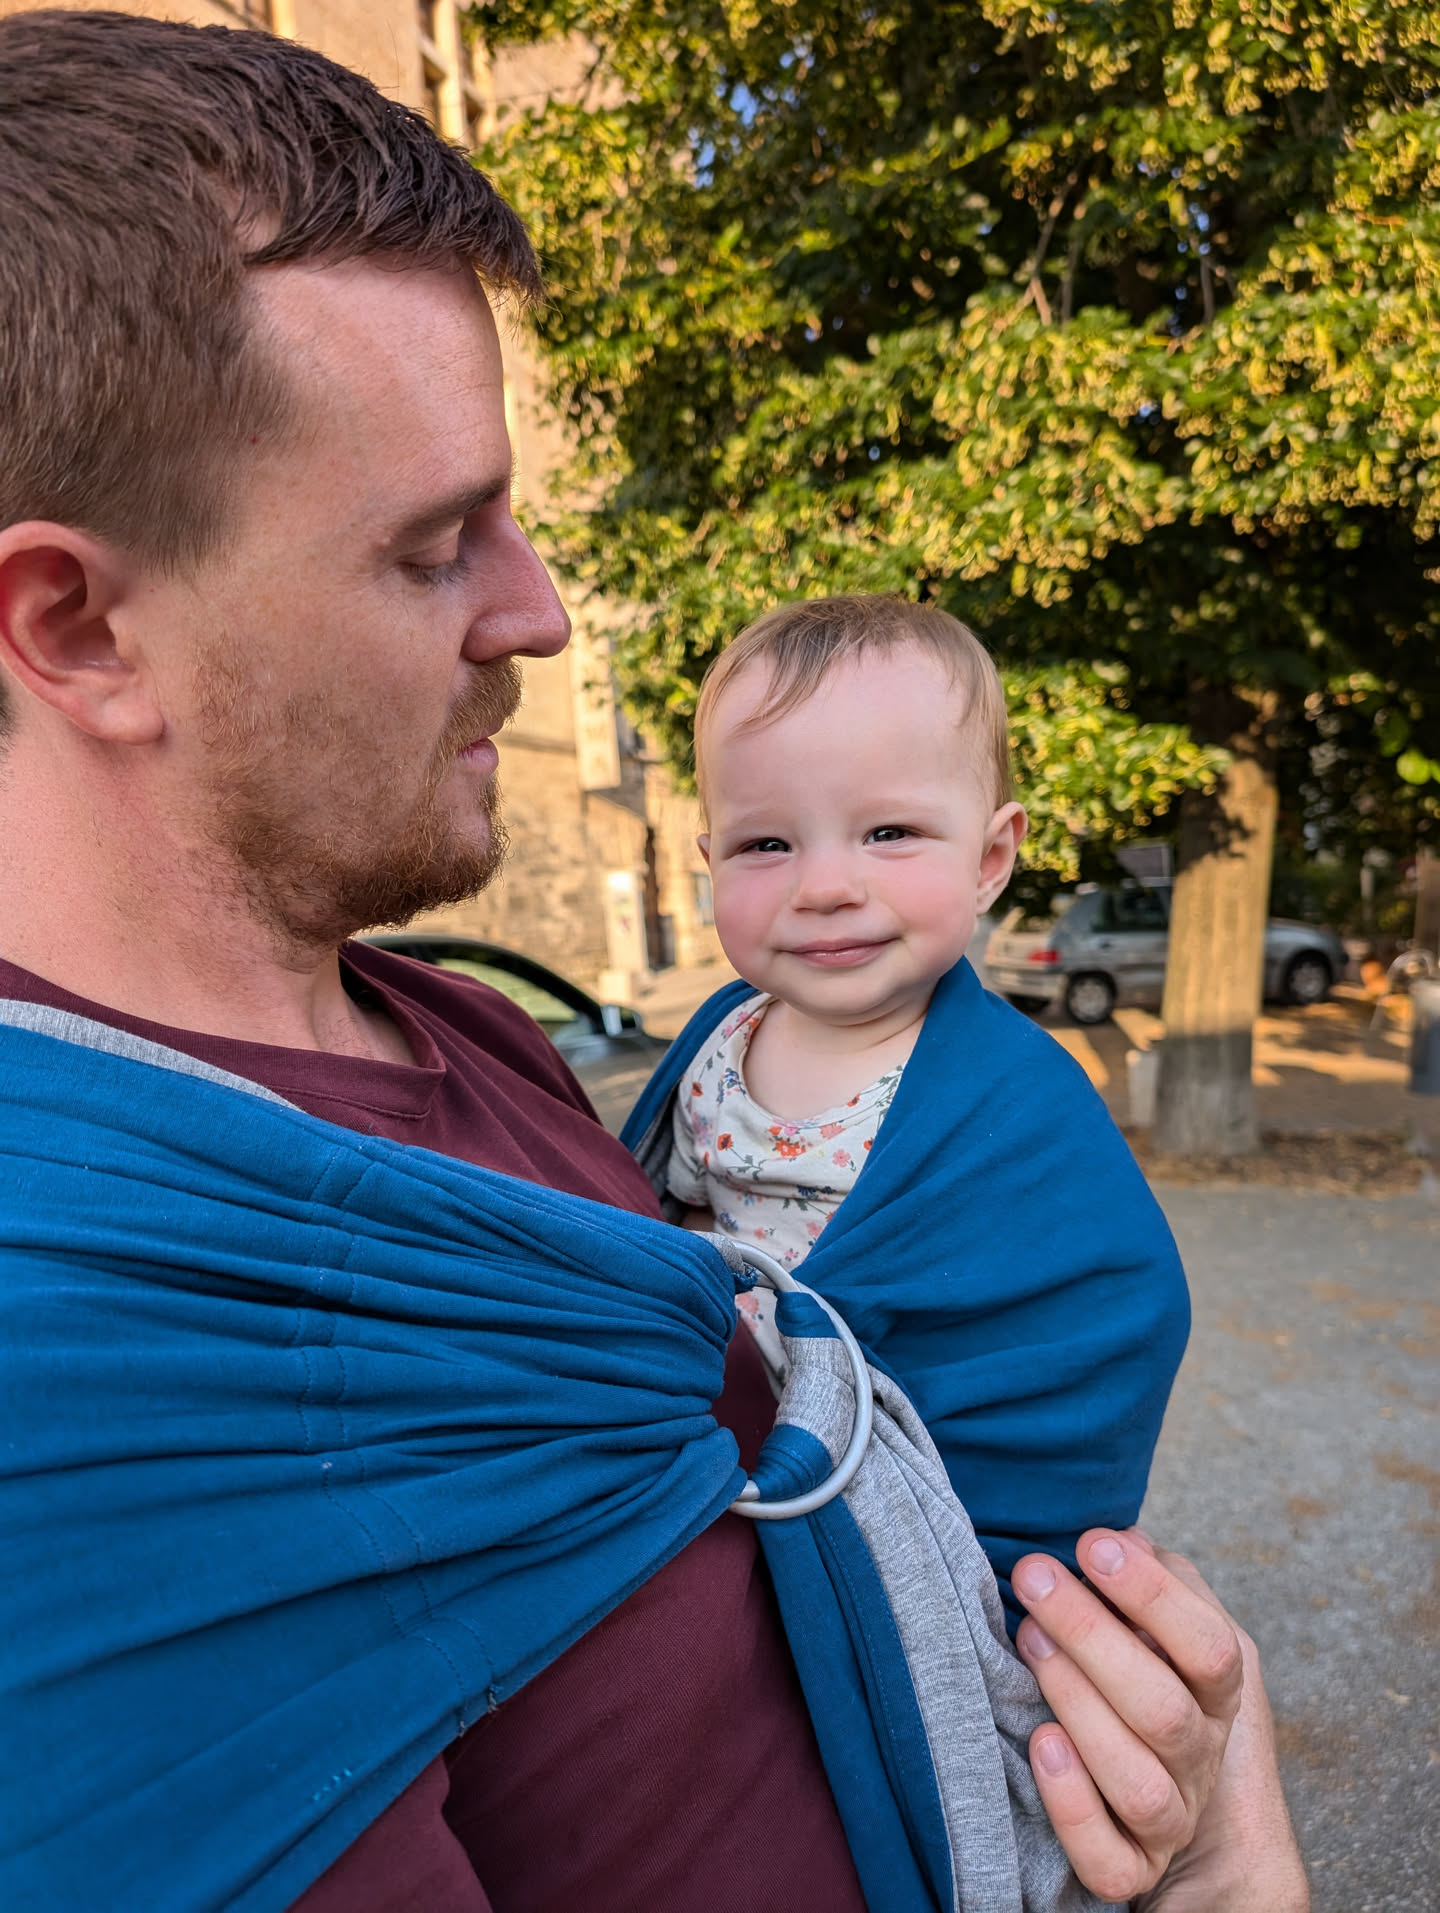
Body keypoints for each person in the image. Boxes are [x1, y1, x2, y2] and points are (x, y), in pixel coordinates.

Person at [0, 10, 1306, 1910]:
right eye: (437, 545)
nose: (537, 614)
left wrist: (1206, 1840)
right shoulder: (76, 1375)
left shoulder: (462, 1034)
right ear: (77, 627)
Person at [642, 595, 1185, 1612]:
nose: (825, 885)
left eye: (888, 831)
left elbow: (1110, 1301)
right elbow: (660, 1216)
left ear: (990, 858)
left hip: (920, 1510)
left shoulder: (1017, 1098)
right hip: (719, 1455)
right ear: (711, 861)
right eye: (767, 844)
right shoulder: (718, 1047)